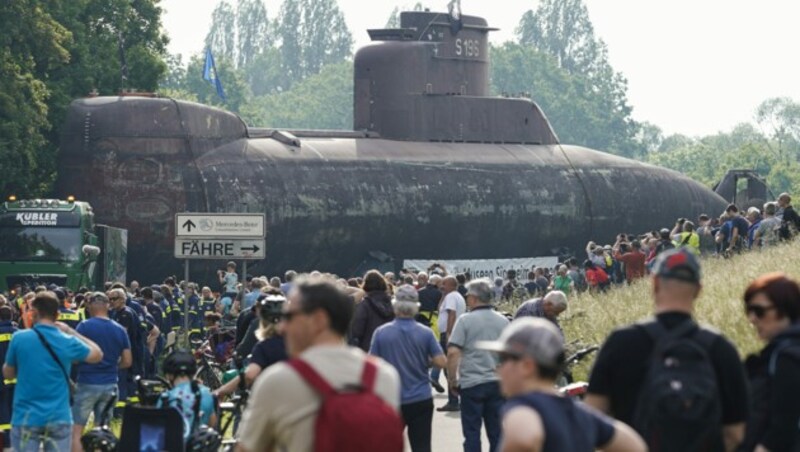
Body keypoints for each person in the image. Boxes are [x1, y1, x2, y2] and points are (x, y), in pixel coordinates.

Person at [585, 248, 749, 451]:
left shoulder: (621, 342)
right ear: (698, 290)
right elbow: (736, 434)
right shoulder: (721, 348)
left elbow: (591, 420)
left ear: (654, 283)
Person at [236, 278, 401, 452]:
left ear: (318, 320)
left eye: (290, 316)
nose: (283, 326)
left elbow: (247, 448)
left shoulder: (278, 381)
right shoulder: (383, 376)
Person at [478, 317, 646, 452]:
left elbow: (523, 437)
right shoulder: (581, 413)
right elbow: (634, 445)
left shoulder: (524, 405)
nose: (498, 369)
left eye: (503, 360)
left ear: (527, 366)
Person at [3, 291, 102, 452]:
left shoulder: (19, 338)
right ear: (57, 314)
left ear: (33, 313)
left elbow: (8, 373)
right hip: (58, 416)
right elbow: (97, 354)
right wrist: (71, 332)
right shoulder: (66, 340)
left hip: (26, 416)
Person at [370, 285, 446, 452]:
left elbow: (371, 364)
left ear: (395, 305)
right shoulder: (425, 333)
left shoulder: (381, 333)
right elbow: (441, 361)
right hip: (420, 397)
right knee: (422, 446)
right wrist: (426, 360)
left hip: (391, 399)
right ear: (416, 307)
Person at [447, 278, 510, 452]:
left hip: (471, 383)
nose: (466, 298)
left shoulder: (465, 321)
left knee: (472, 432)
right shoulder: (503, 321)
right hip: (496, 383)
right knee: (497, 432)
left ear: (474, 298)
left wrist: (452, 380)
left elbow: (453, 353)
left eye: (467, 295)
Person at [739, 273, 800, 451]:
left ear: (785, 309)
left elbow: (783, 429)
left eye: (759, 311)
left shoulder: (788, 357)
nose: (752, 318)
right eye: (749, 311)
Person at [71, 293, 132, 452]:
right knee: (103, 431)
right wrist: (111, 365)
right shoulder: (119, 329)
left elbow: (75, 358)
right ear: (107, 306)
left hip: (87, 382)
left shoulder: (83, 327)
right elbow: (127, 361)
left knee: (77, 430)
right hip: (110, 383)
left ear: (90, 306)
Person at [157, 350, 217, 442]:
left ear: (169, 376)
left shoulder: (165, 398)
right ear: (193, 374)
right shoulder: (205, 394)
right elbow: (212, 424)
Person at [437, 275, 467, 412]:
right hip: (456, 333)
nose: (441, 286)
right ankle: (456, 398)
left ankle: (453, 400)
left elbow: (452, 314)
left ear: (451, 285)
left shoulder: (451, 297)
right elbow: (441, 309)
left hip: (450, 334)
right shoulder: (455, 296)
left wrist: (449, 333)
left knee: (449, 368)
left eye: (444, 284)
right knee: (452, 367)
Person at [350, 270, 394, 352]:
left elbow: (356, 330)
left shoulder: (364, 305)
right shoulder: (392, 304)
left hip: (368, 348)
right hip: (389, 348)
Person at [0, 306, 17, 448]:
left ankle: (5, 439)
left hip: (1, 377)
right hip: (18, 378)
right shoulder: (19, 334)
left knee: (2, 408)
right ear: (12, 317)